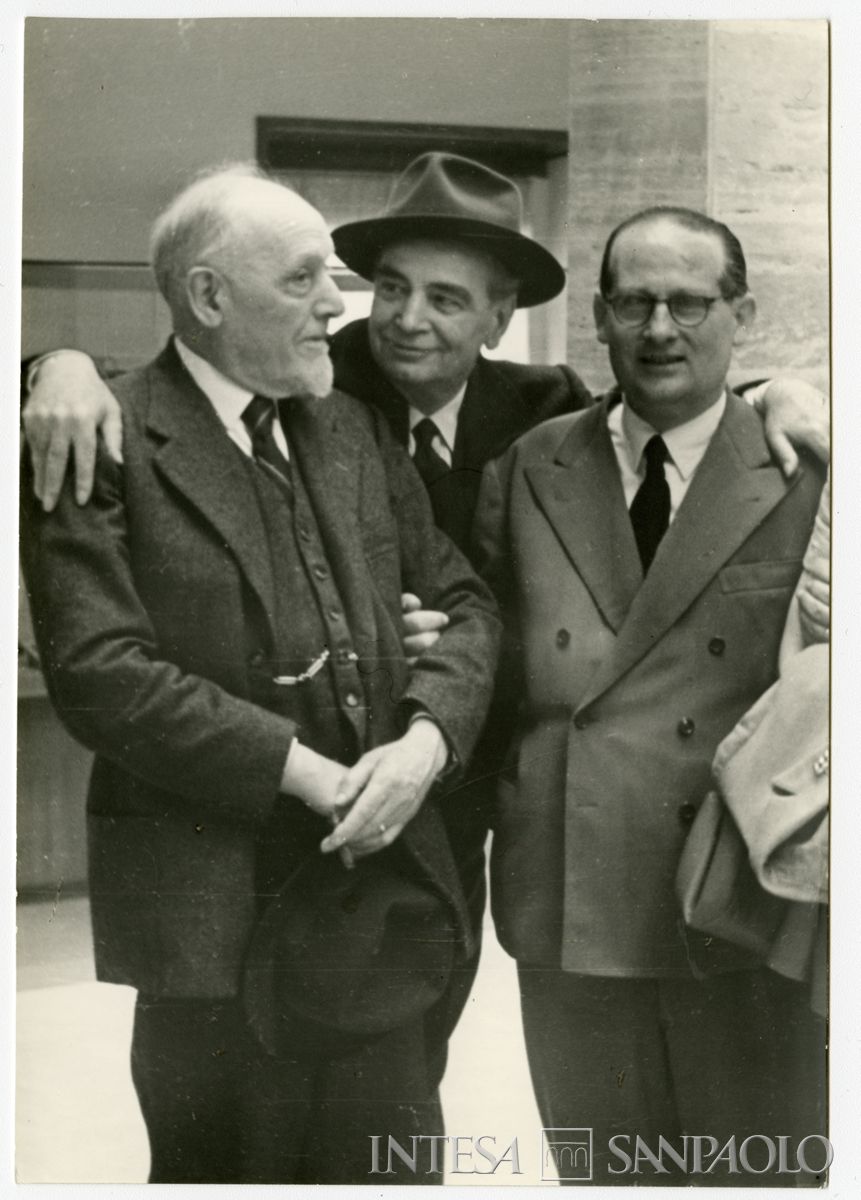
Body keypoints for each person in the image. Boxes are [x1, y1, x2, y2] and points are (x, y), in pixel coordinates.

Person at [21, 152, 829, 1081]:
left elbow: (672, 394)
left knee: (402, 1073)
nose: (403, 320)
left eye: (448, 300)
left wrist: (779, 393)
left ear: (498, 321)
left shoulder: (541, 416)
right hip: (276, 809)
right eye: (388, 289)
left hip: (458, 797)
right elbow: (178, 381)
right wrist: (55, 363)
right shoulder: (319, 377)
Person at [20, 165, 501, 1184]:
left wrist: (423, 744)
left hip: (385, 907)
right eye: (302, 281)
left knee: (393, 1172)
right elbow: (102, 674)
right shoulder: (106, 436)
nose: (340, 304)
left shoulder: (354, 429)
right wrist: (321, 779)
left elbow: (466, 605)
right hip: (210, 930)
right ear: (206, 297)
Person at [473, 206, 827, 1186]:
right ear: (599, 315)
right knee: (607, 1177)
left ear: (742, 312)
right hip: (573, 906)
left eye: (689, 301)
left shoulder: (809, 471)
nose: (660, 327)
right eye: (634, 302)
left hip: (741, 900)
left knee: (758, 1174)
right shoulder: (531, 465)